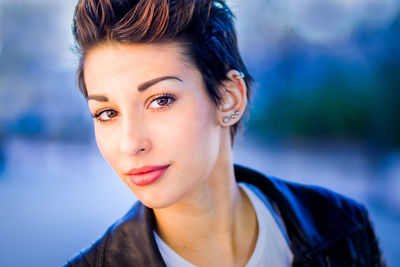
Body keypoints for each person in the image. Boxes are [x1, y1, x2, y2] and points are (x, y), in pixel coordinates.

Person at [66, 0, 385, 266]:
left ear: (230, 98)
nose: (131, 143)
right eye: (107, 113)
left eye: (160, 100)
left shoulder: (344, 227)